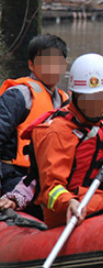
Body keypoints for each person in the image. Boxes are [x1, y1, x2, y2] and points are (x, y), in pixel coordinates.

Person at [23, 53, 103, 228]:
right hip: (67, 211)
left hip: (96, 199)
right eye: (89, 98)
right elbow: (51, 190)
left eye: (101, 97)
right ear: (75, 95)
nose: (95, 104)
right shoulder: (57, 131)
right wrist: (68, 202)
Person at [0, 34, 69, 195]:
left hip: (49, 177)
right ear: (31, 65)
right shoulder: (19, 96)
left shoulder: (65, 102)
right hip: (13, 176)